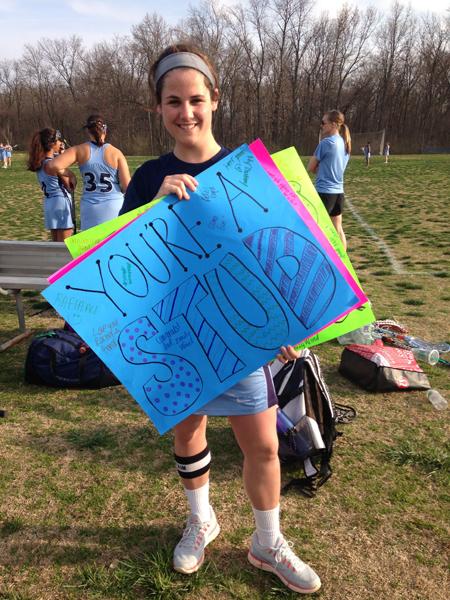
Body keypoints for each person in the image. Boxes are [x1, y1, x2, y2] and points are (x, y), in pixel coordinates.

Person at [120, 43, 321, 595]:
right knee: (189, 435)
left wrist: (288, 325)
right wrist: (151, 208)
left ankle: (267, 541)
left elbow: (276, 252)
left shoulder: (247, 171)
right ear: (158, 108)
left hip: (242, 333)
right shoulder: (147, 176)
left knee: (262, 445)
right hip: (177, 334)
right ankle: (201, 518)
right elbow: (120, 265)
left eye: (196, 99)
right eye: (173, 101)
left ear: (215, 100)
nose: (186, 112)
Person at [47, 115, 130, 231]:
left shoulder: (79, 150)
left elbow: (52, 165)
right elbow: (127, 186)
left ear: (88, 131)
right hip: (114, 206)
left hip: (90, 208)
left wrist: (68, 173)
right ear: (105, 130)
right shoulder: (116, 153)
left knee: (93, 248)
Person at [307, 109, 351, 251]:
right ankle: (343, 264)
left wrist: (319, 169)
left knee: (317, 232)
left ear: (333, 124)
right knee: (338, 229)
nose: (322, 126)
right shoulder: (345, 144)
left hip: (324, 193)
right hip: (339, 193)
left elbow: (310, 167)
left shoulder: (326, 143)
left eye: (323, 123)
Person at [27, 128, 75, 242]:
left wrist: (59, 157)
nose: (60, 143)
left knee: (55, 245)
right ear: (52, 144)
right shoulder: (53, 164)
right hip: (61, 203)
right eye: (58, 141)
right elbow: (71, 184)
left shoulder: (41, 162)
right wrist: (63, 162)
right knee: (64, 248)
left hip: (49, 203)